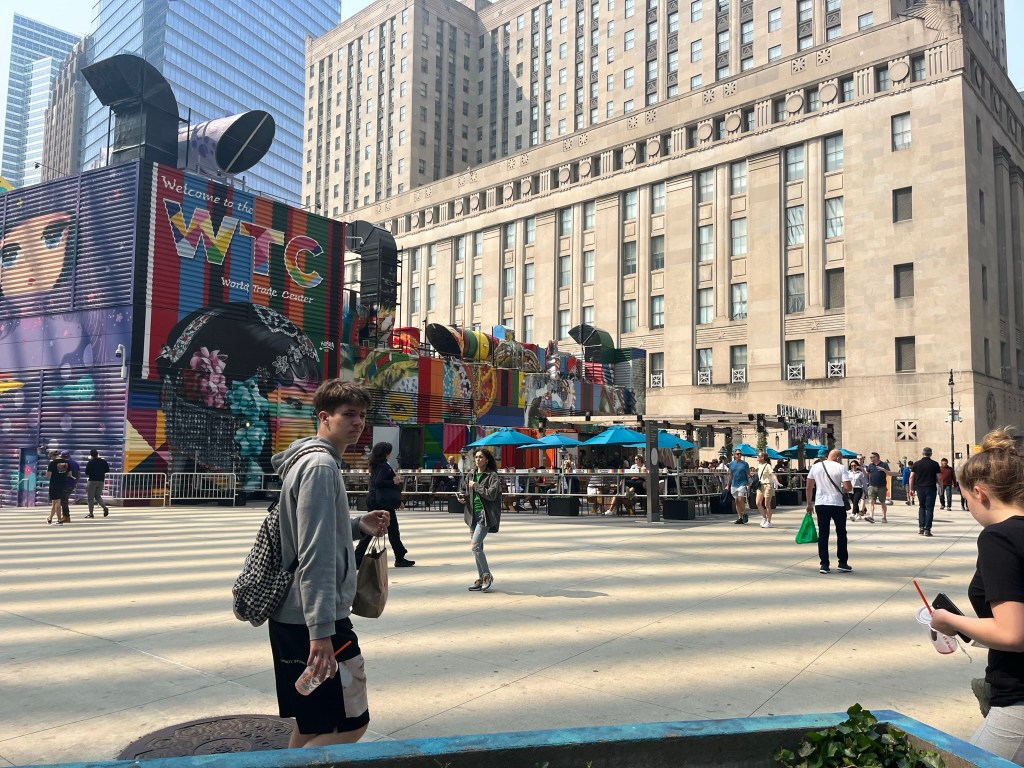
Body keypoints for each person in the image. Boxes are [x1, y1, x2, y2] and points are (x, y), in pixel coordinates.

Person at [267, 379, 390, 749]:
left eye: (362, 415)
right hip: (317, 623)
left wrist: (355, 525)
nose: (358, 423)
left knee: (311, 725)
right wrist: (320, 633)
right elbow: (315, 553)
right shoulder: (321, 466)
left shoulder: (305, 461)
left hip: (294, 617)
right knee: (350, 725)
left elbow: (305, 531)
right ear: (324, 417)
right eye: (348, 414)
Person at [931, 429, 1024, 764]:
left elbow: (1013, 634)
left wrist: (950, 620)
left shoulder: (998, 538)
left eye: (966, 500)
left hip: (1018, 696)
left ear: (980, 493)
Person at [363, 442, 414, 568]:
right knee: (390, 530)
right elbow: (379, 483)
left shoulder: (376, 465)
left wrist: (397, 501)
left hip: (377, 500)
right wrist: (394, 481)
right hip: (382, 503)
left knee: (382, 529)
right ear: (386, 453)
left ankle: (400, 555)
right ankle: (399, 557)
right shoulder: (384, 467)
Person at [457, 448, 502, 591]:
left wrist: (476, 486)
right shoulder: (471, 474)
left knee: (474, 546)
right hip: (472, 515)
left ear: (487, 460)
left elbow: (491, 495)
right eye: (476, 457)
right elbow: (465, 490)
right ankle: (482, 577)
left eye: (481, 457)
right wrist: (462, 497)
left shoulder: (492, 476)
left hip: (485, 515)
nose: (477, 459)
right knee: (478, 548)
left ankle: (487, 576)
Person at [806, 449, 853, 574]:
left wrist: (809, 503)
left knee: (823, 534)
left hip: (821, 503)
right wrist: (845, 488)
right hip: (837, 504)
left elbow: (809, 487)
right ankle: (842, 563)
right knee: (841, 533)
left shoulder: (815, 467)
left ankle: (824, 564)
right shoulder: (841, 467)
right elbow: (848, 487)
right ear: (838, 457)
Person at [909, 447, 941, 536]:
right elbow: (939, 478)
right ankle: (927, 529)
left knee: (922, 507)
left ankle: (921, 527)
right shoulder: (935, 464)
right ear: (931, 454)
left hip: (920, 488)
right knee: (929, 508)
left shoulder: (916, 464)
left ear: (922, 453)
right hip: (931, 488)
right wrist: (941, 488)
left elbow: (911, 477)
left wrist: (911, 489)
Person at [863, 452, 890, 522]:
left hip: (882, 486)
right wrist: (862, 470)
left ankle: (884, 517)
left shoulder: (884, 464)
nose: (871, 458)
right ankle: (871, 516)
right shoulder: (870, 465)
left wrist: (883, 469)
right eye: (870, 457)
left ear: (877, 457)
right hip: (872, 486)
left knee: (882, 502)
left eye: (872, 457)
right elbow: (866, 475)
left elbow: (889, 473)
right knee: (871, 501)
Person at [84, 449, 110, 518]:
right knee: (98, 496)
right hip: (101, 481)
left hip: (92, 481)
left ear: (91, 455)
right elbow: (107, 470)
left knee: (90, 498)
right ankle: (104, 507)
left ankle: (91, 513)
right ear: (97, 454)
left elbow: (86, 472)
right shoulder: (103, 461)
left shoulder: (90, 462)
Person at [727, 449, 750, 524]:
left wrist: (748, 484)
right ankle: (740, 517)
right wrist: (728, 485)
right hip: (734, 484)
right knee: (736, 500)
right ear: (734, 455)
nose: (739, 455)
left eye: (740, 454)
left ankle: (744, 513)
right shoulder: (731, 464)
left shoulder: (745, 464)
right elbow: (730, 474)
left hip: (742, 483)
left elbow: (747, 474)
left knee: (740, 499)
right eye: (737, 454)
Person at [753, 452, 777, 528]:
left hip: (767, 485)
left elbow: (772, 474)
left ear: (762, 457)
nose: (757, 457)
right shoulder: (759, 465)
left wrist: (776, 481)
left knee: (767, 504)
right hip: (760, 485)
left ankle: (769, 522)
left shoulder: (768, 465)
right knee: (758, 503)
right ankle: (764, 517)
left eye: (758, 456)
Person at [45, 450, 68, 525]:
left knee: (57, 502)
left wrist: (46, 471)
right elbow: (68, 473)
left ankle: (59, 520)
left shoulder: (52, 463)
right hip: (63, 484)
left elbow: (48, 476)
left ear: (52, 456)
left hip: (54, 484)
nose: (50, 458)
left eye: (50, 457)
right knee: (54, 502)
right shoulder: (65, 462)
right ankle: (50, 518)